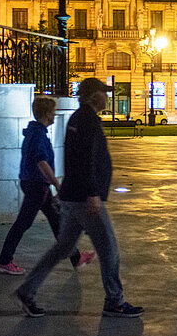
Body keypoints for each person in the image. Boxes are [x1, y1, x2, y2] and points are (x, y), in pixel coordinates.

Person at [15, 78, 143, 319]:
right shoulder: (87, 121)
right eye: (103, 93)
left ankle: (27, 290)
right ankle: (115, 301)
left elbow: (79, 159)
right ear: (93, 96)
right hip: (85, 198)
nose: (107, 97)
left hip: (72, 196)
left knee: (62, 247)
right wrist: (93, 193)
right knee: (110, 249)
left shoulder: (77, 118)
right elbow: (85, 160)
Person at [0, 96, 95, 275]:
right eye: (53, 111)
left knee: (56, 221)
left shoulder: (37, 133)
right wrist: (56, 184)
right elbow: (41, 162)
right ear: (47, 114)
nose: (55, 114)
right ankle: (4, 260)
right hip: (36, 186)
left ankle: (76, 257)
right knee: (23, 223)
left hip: (37, 185)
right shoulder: (38, 135)